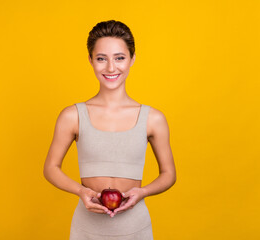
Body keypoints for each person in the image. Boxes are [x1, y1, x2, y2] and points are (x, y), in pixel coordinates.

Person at [43, 20, 176, 240]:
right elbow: (51, 167)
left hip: (136, 228)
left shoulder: (153, 118)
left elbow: (169, 174)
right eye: (101, 59)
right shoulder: (72, 116)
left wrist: (142, 192)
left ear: (132, 59)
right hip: (87, 228)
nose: (111, 68)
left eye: (119, 58)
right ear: (91, 60)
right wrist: (80, 191)